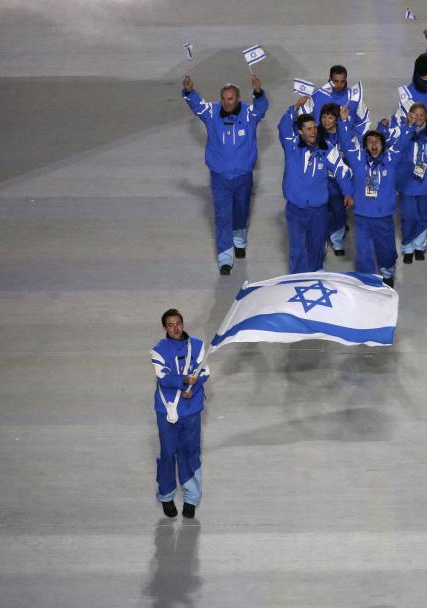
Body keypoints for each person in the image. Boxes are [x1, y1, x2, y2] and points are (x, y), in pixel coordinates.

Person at [182, 73, 268, 275]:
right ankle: (225, 257)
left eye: (230, 99)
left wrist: (258, 92)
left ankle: (239, 241)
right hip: (220, 177)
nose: (226, 102)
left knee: (241, 210)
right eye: (223, 98)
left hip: (243, 176)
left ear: (238, 99)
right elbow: (197, 106)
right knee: (222, 216)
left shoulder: (248, 113)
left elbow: (261, 109)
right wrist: (189, 91)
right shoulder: (212, 112)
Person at [338, 106, 413, 287]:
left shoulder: (390, 160)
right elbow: (347, 143)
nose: (373, 144)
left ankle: (388, 273)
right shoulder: (357, 160)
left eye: (377, 141)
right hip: (363, 217)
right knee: (363, 253)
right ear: (365, 146)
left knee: (386, 251)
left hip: (384, 217)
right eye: (370, 141)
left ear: (383, 145)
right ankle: (367, 282)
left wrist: (409, 125)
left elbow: (402, 143)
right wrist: (343, 121)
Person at [278, 97, 355, 274]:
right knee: (297, 248)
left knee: (316, 244)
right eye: (309, 129)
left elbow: (341, 169)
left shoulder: (326, 149)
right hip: (295, 209)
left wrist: (348, 192)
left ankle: (317, 274)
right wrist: (294, 108)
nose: (313, 132)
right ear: (300, 132)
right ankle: (297, 278)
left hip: (318, 209)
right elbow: (283, 127)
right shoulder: (292, 147)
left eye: (314, 128)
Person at [150, 309, 211, 518]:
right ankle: (166, 496)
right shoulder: (158, 350)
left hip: (192, 409)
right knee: (168, 453)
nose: (175, 328)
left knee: (190, 452)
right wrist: (185, 380)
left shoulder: (198, 345)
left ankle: (191, 499)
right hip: (168, 410)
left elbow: (204, 371)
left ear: (183, 324)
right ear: (164, 328)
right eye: (170, 325)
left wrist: (192, 388)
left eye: (178, 324)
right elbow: (163, 377)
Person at [379, 103, 427, 263]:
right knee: (408, 216)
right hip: (406, 184)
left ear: (426, 117)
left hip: (426, 185)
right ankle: (407, 246)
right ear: (409, 115)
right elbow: (385, 138)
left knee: (423, 216)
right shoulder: (401, 130)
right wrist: (381, 126)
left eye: (422, 115)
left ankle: (419, 246)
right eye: (415, 114)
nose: (418, 118)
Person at [393, 29, 427, 234]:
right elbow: (402, 120)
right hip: (420, 142)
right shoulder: (411, 95)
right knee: (419, 178)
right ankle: (414, 220)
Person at [300, 65, 371, 136]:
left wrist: (356, 139)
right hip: (321, 142)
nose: (339, 85)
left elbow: (364, 121)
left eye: (342, 81)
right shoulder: (317, 95)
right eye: (336, 81)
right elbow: (302, 118)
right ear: (330, 79)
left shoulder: (354, 97)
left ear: (346, 80)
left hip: (346, 143)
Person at [319, 103, 350, 256]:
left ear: (337, 119)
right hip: (322, 182)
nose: (326, 121)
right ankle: (322, 239)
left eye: (330, 117)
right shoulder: (316, 135)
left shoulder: (344, 134)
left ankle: (337, 239)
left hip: (339, 182)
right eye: (324, 117)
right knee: (321, 211)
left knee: (339, 211)